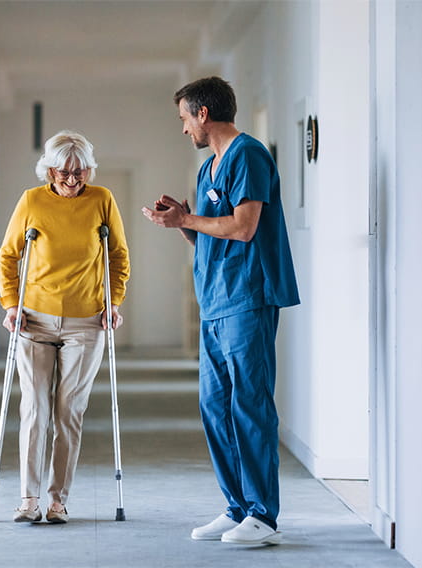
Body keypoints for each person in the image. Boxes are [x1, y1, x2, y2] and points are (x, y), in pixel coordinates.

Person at [142, 76, 299, 545]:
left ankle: (262, 515)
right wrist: (183, 223)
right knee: (215, 406)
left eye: (185, 118)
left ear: (203, 114)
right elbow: (213, 232)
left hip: (248, 297)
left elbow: (245, 227)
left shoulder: (247, 155)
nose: (184, 129)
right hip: (215, 300)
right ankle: (236, 507)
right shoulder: (210, 166)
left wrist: (187, 219)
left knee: (249, 403)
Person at [0, 130, 130, 524]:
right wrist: (11, 304)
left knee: (68, 411)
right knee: (35, 409)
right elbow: (9, 257)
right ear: (49, 170)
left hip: (85, 322)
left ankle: (58, 499)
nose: (73, 180)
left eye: (80, 171)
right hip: (34, 319)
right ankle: (28, 498)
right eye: (64, 172)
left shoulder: (102, 200)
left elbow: (118, 257)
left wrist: (114, 301)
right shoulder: (31, 201)